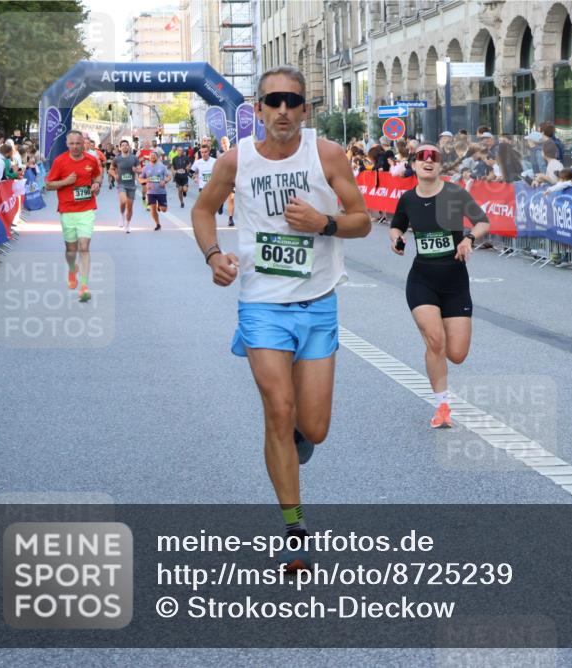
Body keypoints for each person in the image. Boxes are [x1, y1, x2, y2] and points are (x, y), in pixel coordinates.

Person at [191, 65, 371, 572]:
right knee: (278, 408)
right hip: (262, 302)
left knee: (313, 427)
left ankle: (295, 441)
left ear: (305, 109)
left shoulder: (327, 154)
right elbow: (203, 211)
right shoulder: (237, 160)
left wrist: (324, 222)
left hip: (317, 301)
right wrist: (212, 255)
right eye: (274, 102)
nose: (284, 111)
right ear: (258, 109)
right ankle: (295, 528)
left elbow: (362, 221)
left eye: (293, 101)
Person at [389, 145, 491, 428]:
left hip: (455, 280)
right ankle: (442, 406)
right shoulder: (407, 198)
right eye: (422, 157)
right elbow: (396, 225)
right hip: (422, 279)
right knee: (435, 341)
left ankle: (437, 356)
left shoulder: (454, 193)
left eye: (434, 157)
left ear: (440, 165)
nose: (428, 161)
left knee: (456, 353)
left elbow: (483, 222)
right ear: (415, 164)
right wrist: (397, 239)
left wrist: (469, 238)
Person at [44, 131, 104, 302]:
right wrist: (65, 182)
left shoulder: (91, 160)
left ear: (83, 143)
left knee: (84, 246)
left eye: (78, 143)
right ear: (67, 144)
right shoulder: (60, 161)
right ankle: (72, 269)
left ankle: (84, 286)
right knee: (71, 250)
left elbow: (98, 175)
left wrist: (97, 184)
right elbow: (48, 185)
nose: (76, 147)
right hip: (67, 210)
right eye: (72, 144)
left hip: (86, 209)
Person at [109, 139, 141, 233]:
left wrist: (136, 170)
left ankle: (127, 224)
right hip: (121, 184)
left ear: (129, 147)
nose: (125, 146)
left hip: (131, 185)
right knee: (123, 201)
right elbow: (110, 170)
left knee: (130, 207)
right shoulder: (117, 159)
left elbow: (140, 170)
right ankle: (121, 215)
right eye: (122, 145)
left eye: (126, 145)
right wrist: (115, 175)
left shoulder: (134, 158)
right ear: (120, 147)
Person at [140, 151, 170, 231]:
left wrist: (165, 181)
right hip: (150, 192)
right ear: (149, 157)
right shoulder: (146, 168)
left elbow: (169, 176)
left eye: (154, 156)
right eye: (151, 156)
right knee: (152, 209)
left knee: (164, 209)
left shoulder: (162, 167)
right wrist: (146, 179)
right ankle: (158, 224)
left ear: (157, 157)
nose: (152, 157)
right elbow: (140, 179)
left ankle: (159, 206)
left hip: (161, 191)